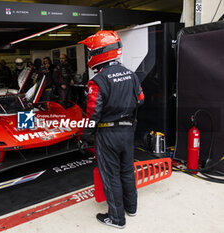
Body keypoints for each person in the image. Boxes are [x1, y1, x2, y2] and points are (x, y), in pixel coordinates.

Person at [78, 30, 145, 229]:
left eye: (91, 51)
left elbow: (92, 113)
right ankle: (131, 208)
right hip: (127, 132)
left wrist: (85, 136)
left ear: (100, 52)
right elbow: (141, 100)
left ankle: (116, 218)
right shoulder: (131, 74)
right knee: (127, 171)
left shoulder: (97, 80)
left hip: (107, 134)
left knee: (111, 175)